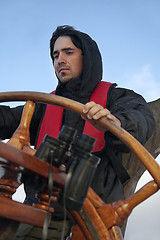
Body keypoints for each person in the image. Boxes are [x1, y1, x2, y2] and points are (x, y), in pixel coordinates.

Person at [0, 25, 155, 238]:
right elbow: (6, 119)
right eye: (55, 55)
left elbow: (142, 118)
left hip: (93, 215)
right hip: (40, 208)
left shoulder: (116, 97)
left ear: (87, 57)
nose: (59, 60)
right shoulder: (43, 106)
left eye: (68, 52)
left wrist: (114, 121)